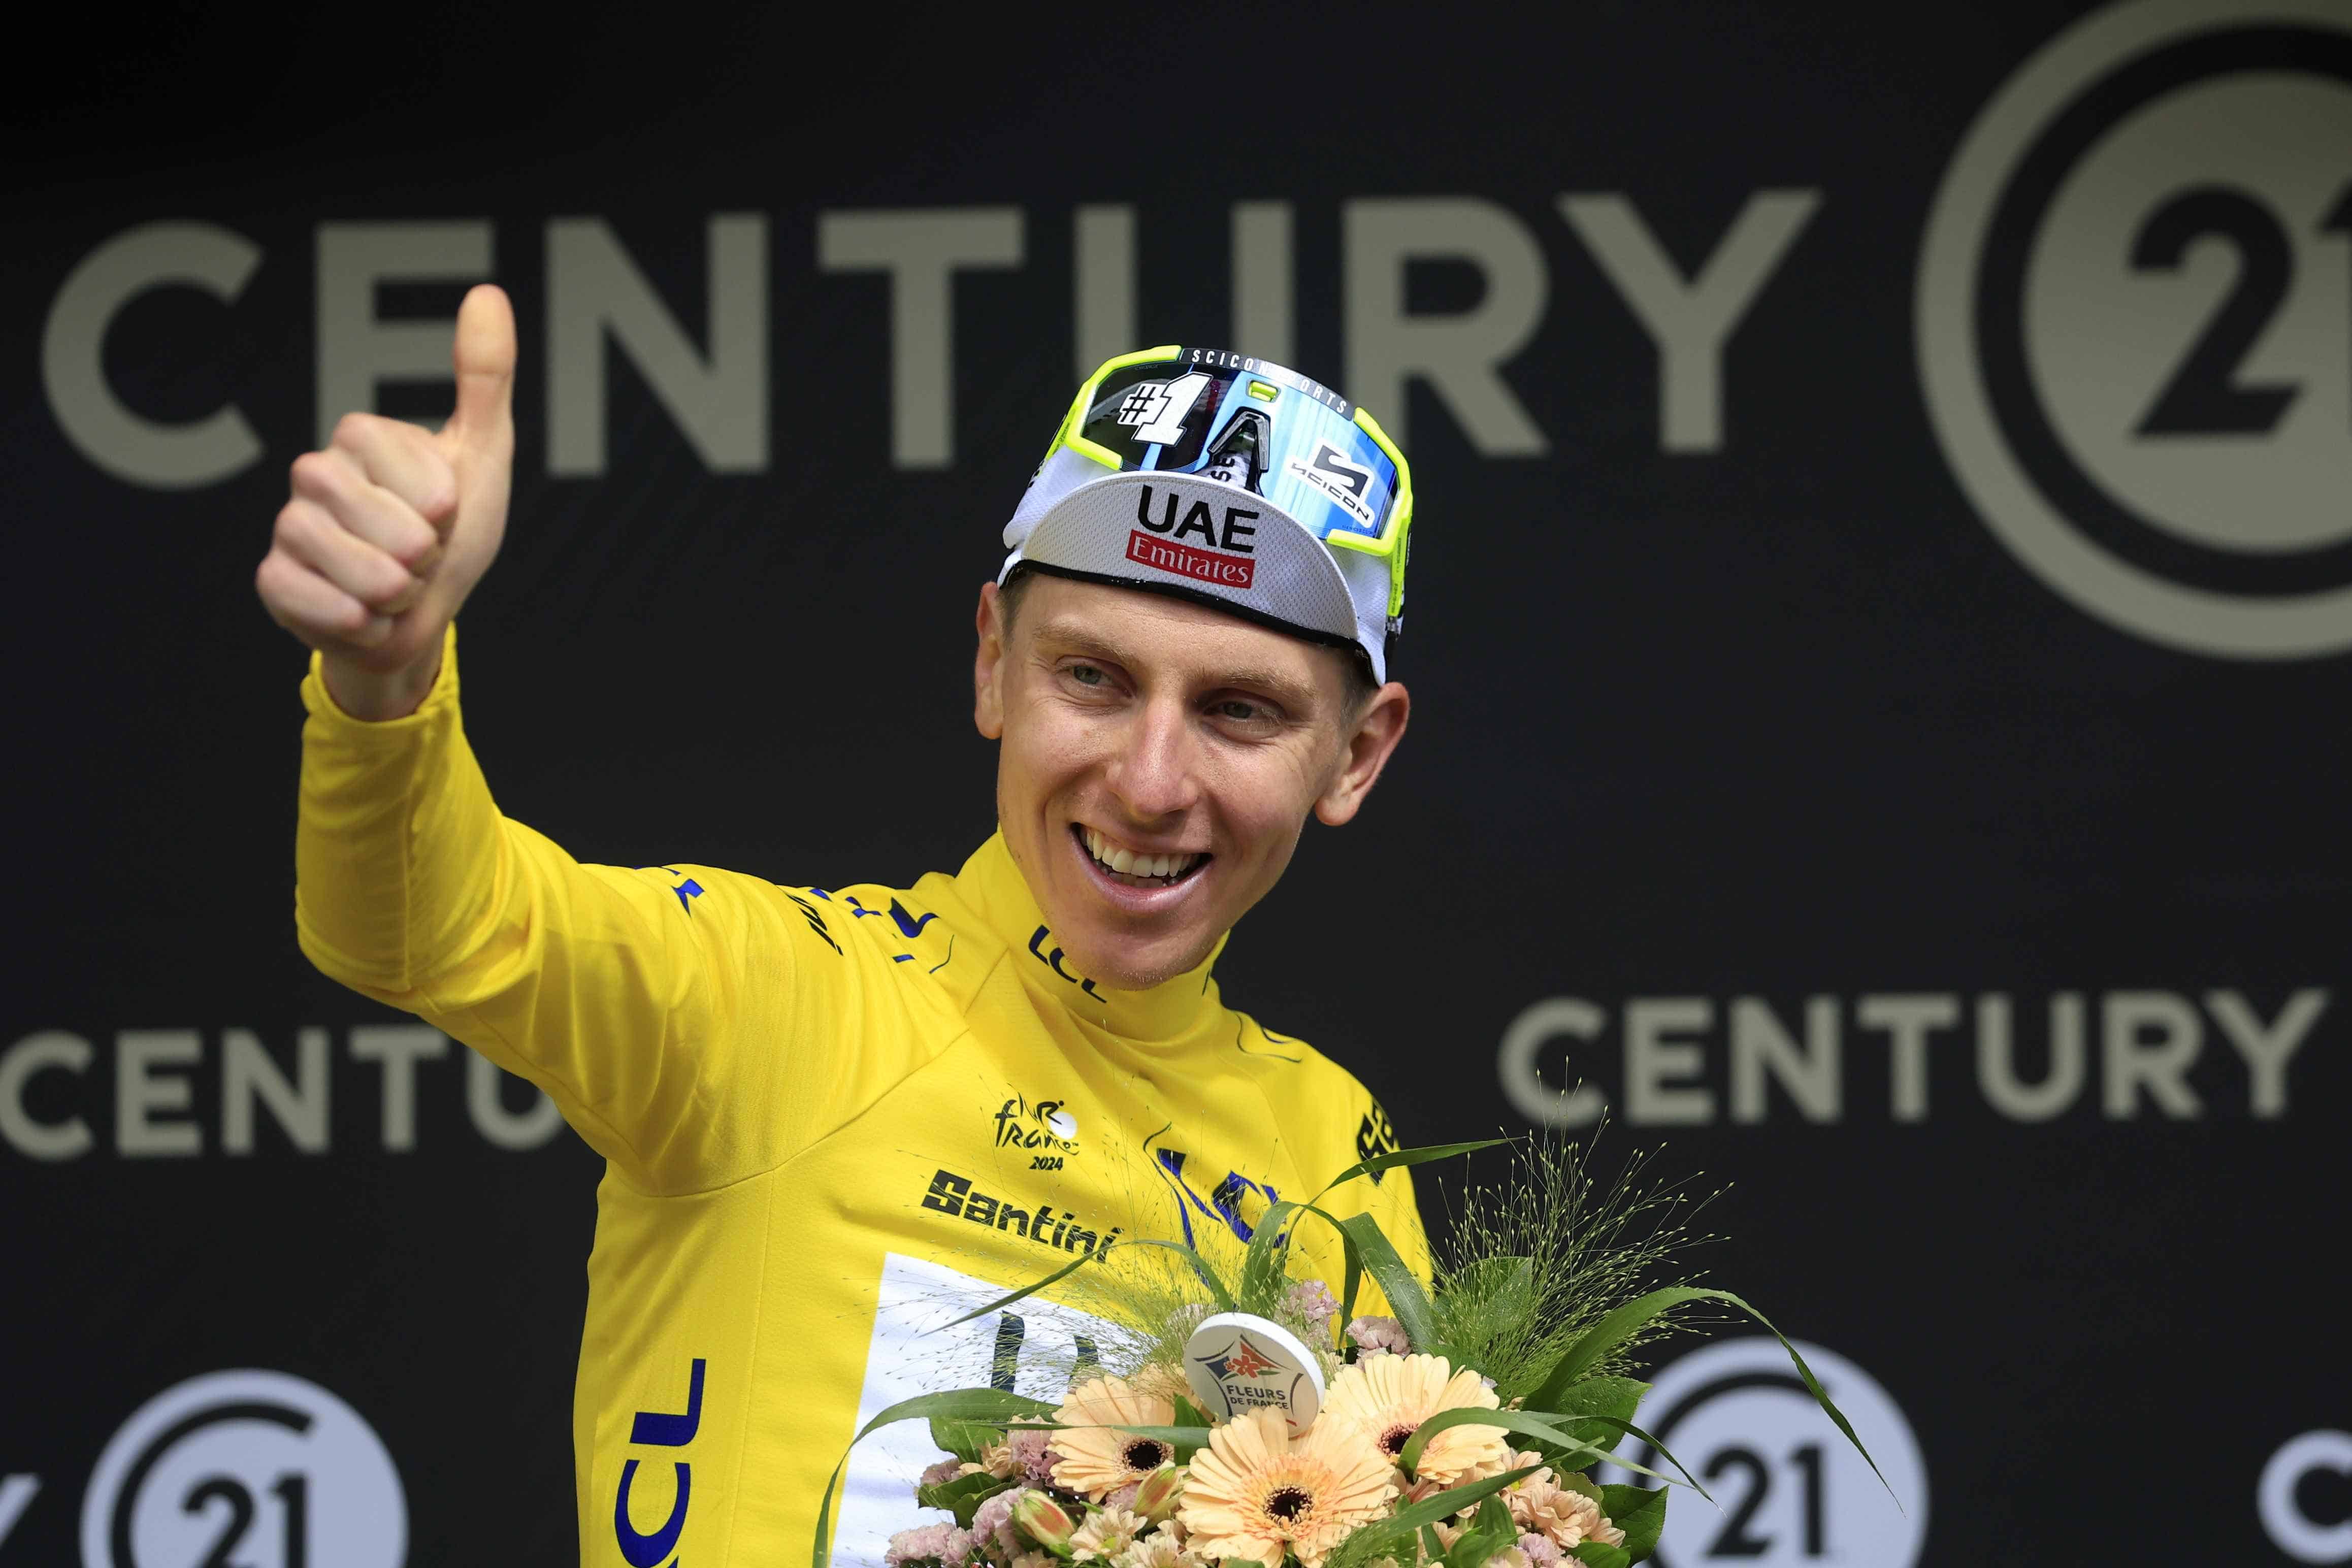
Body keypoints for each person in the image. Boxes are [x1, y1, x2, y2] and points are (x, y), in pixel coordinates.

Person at [258, 285, 1428, 1564]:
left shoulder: (1333, 1149)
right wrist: (385, 677)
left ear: (1356, 754)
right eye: (1091, 676)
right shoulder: (784, 998)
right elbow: (423, 921)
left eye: (1239, 710)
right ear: (992, 661)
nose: (1150, 780)